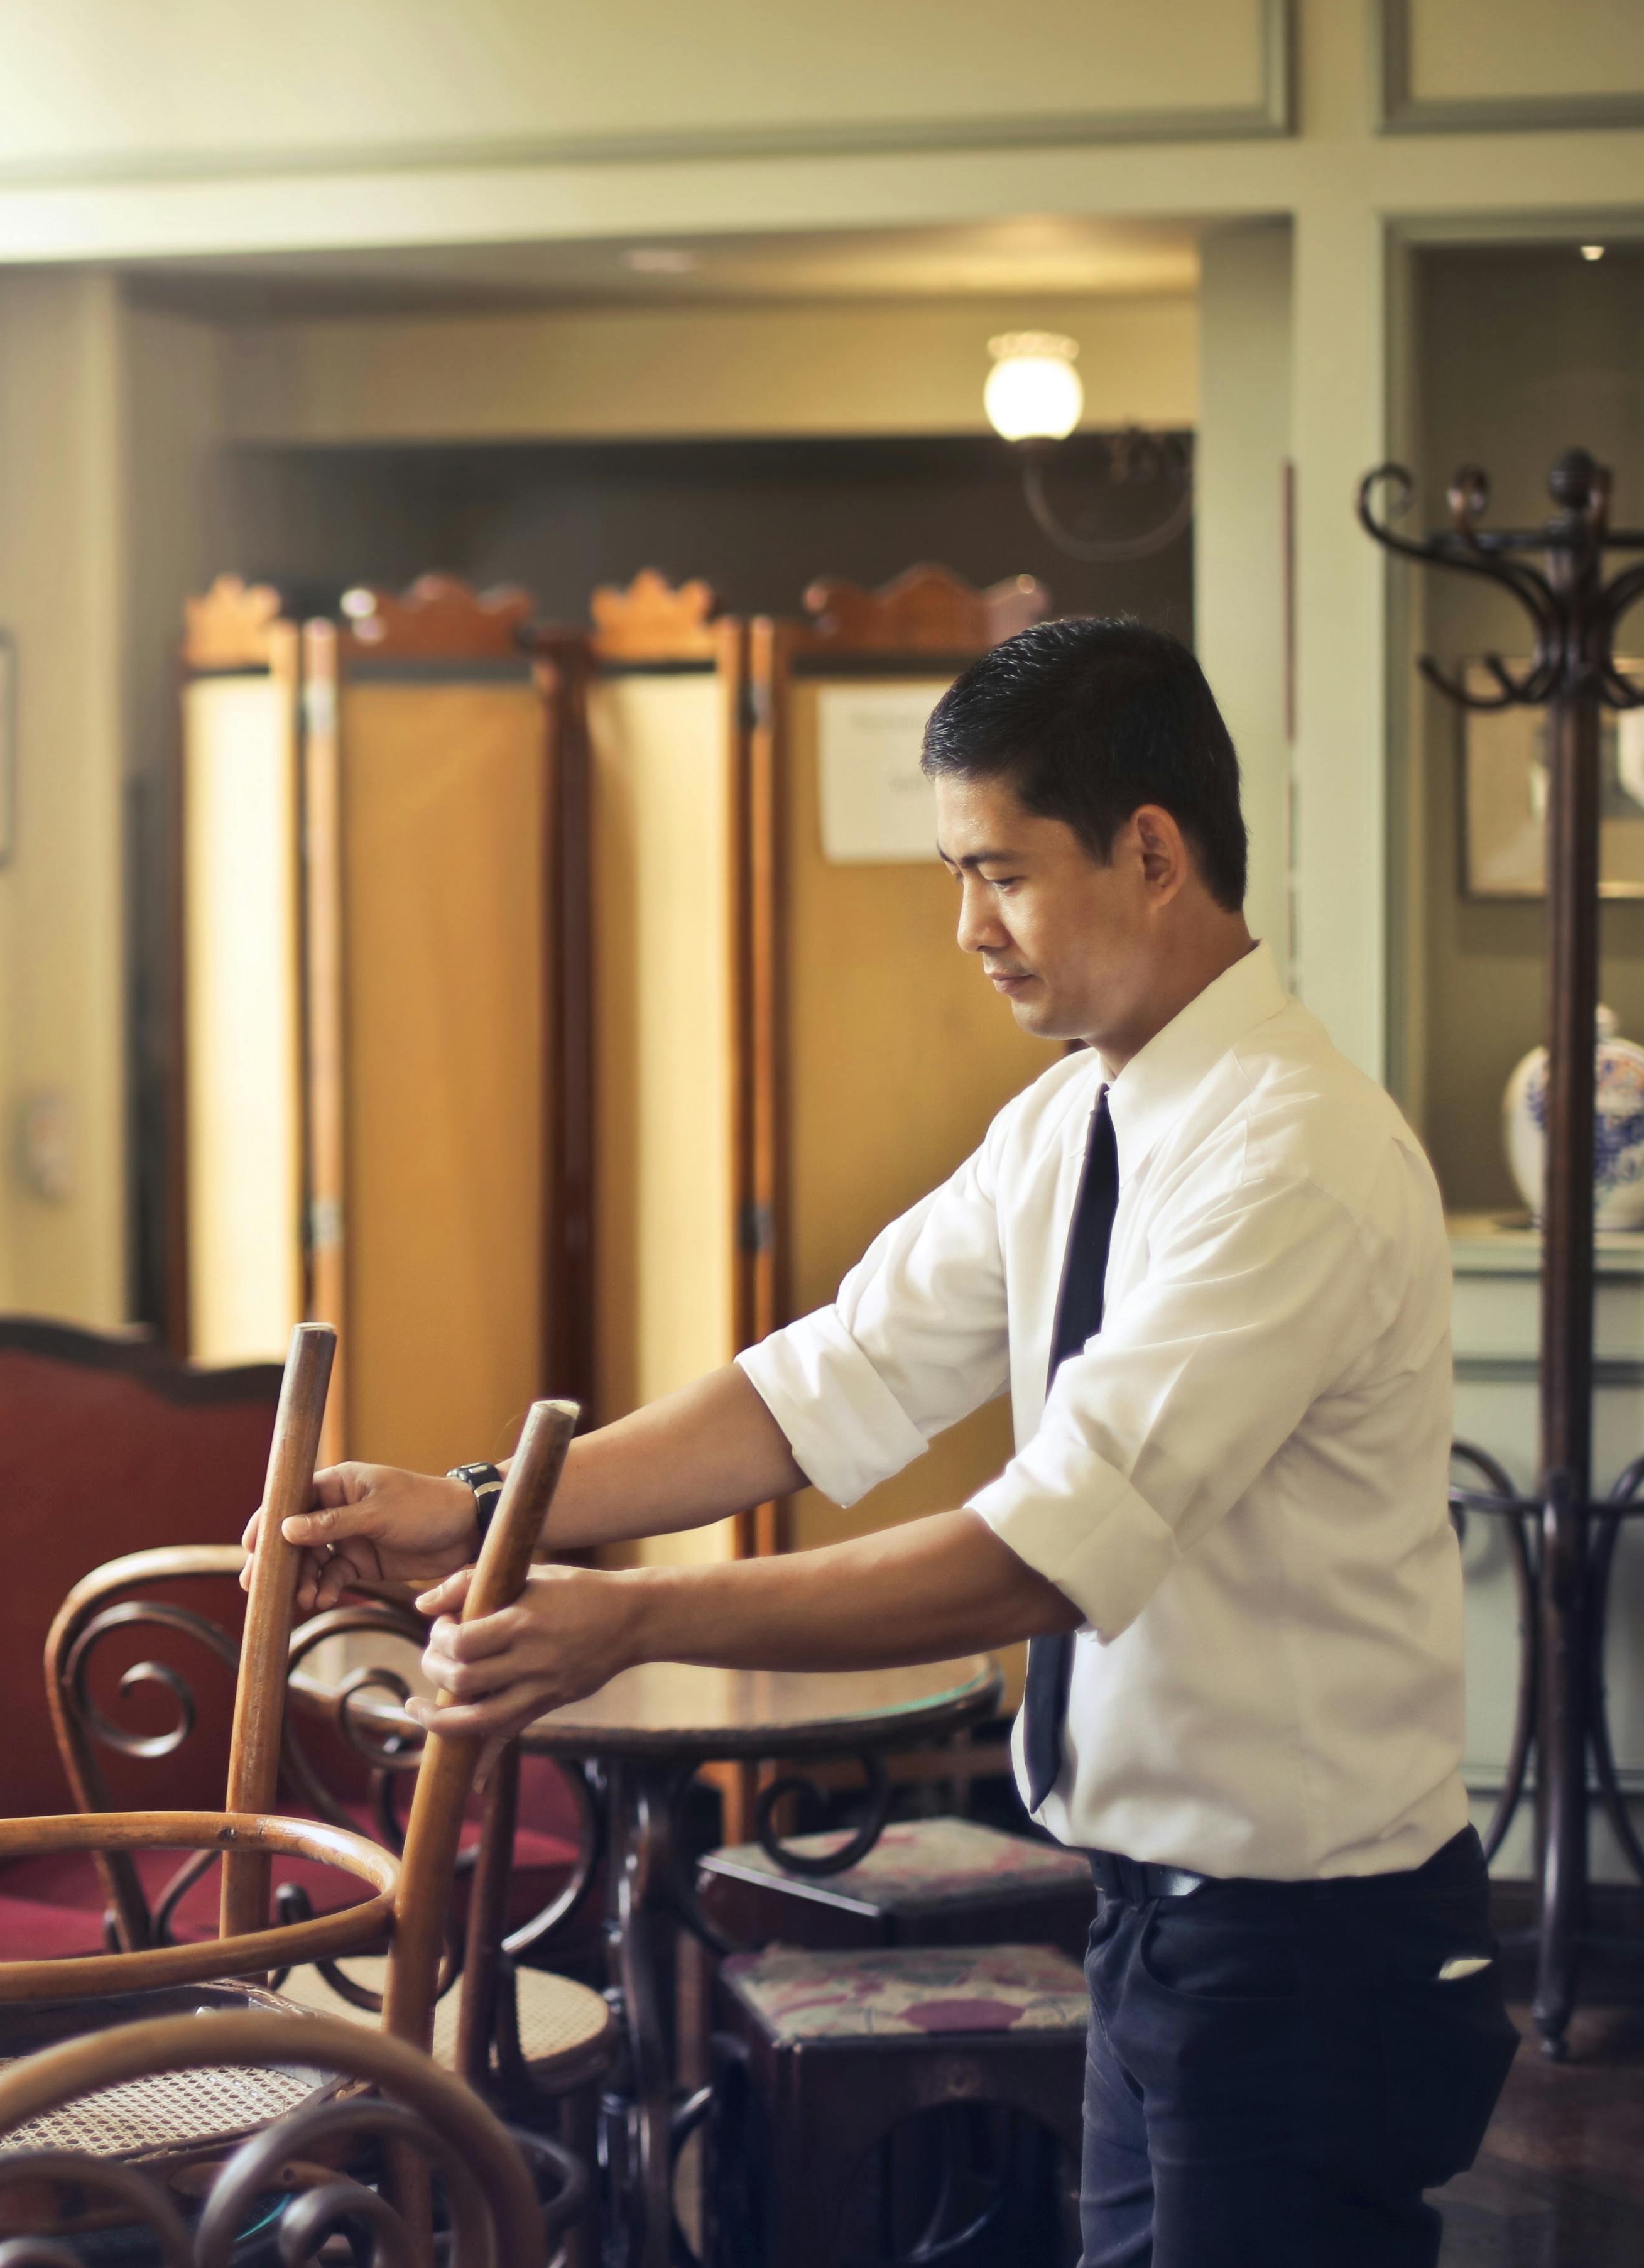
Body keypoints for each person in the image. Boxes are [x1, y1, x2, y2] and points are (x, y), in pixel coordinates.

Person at [250, 619, 1515, 2265]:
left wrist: (627, 1616)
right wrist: (491, 1503)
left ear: (1149, 852)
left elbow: (1034, 1556)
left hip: (1305, 1956)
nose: (964, 930)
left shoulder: (1292, 1162)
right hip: (1155, 1921)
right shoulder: (1072, 1115)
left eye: (996, 872)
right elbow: (826, 1380)